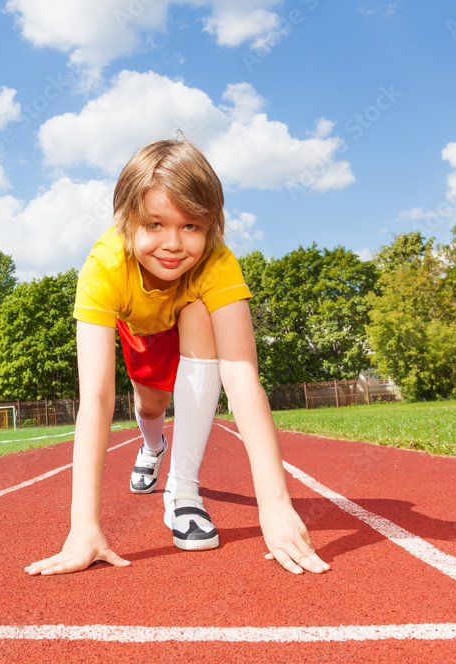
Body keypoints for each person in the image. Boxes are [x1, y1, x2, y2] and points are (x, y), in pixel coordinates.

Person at [24, 139, 329, 576]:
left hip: (188, 322)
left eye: (191, 226)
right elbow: (94, 397)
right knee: (151, 406)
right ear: (127, 220)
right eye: (155, 224)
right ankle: (152, 446)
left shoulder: (218, 262)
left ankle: (183, 492)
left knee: (200, 311)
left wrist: (276, 505)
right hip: (141, 329)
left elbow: (241, 374)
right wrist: (83, 527)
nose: (173, 244)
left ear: (212, 226)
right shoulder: (104, 267)